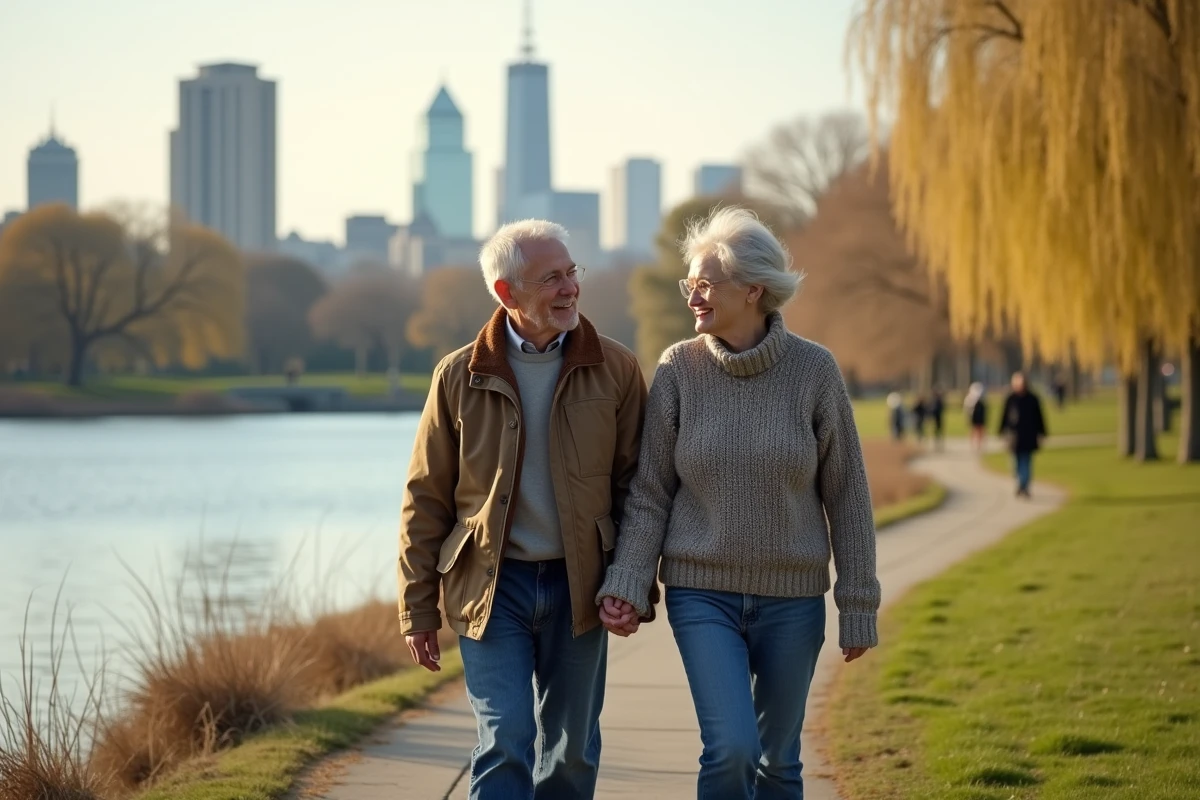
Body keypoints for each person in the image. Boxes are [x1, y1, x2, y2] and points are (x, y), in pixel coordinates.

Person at [596, 207, 880, 799]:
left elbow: (847, 494)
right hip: (703, 594)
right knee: (731, 751)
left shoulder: (815, 372)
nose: (693, 296)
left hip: (793, 599)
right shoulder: (678, 369)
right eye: (689, 284)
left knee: (778, 762)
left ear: (753, 289)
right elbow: (650, 493)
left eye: (706, 283)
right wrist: (626, 580)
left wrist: (858, 603)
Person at [398, 219, 649, 799]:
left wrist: (632, 582)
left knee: (570, 750)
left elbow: (639, 489)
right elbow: (425, 498)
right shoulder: (458, 375)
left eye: (571, 273)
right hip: (491, 587)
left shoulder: (615, 369)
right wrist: (418, 609)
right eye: (551, 279)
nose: (569, 289)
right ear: (506, 294)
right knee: (505, 738)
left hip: (580, 586)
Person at [997, 371, 1047, 498]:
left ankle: (1024, 486)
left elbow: (1039, 416)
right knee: (1015, 463)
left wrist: (1042, 432)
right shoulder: (1010, 398)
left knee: (1026, 462)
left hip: (1029, 435)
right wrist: (1001, 430)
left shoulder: (1033, 399)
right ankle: (1020, 483)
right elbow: (1004, 416)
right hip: (1014, 436)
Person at [963, 382, 988, 451]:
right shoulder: (970, 399)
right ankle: (973, 444)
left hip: (980, 416)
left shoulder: (982, 399)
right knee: (974, 430)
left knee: (980, 430)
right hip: (973, 416)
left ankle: (979, 445)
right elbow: (967, 409)